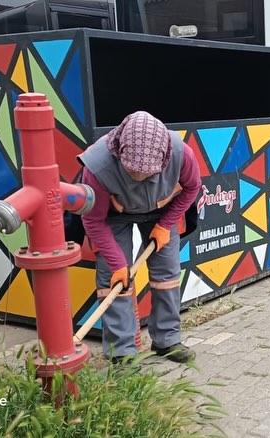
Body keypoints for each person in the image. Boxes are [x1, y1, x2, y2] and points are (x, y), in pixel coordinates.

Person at [78, 111, 202, 364]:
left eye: (147, 175)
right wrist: (117, 264)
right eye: (133, 173)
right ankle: (122, 353)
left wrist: (166, 224)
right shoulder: (97, 166)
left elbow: (192, 187)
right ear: (119, 154)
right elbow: (93, 219)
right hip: (114, 215)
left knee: (166, 276)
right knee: (113, 281)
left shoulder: (180, 153)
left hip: (162, 211)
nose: (141, 179)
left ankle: (167, 340)